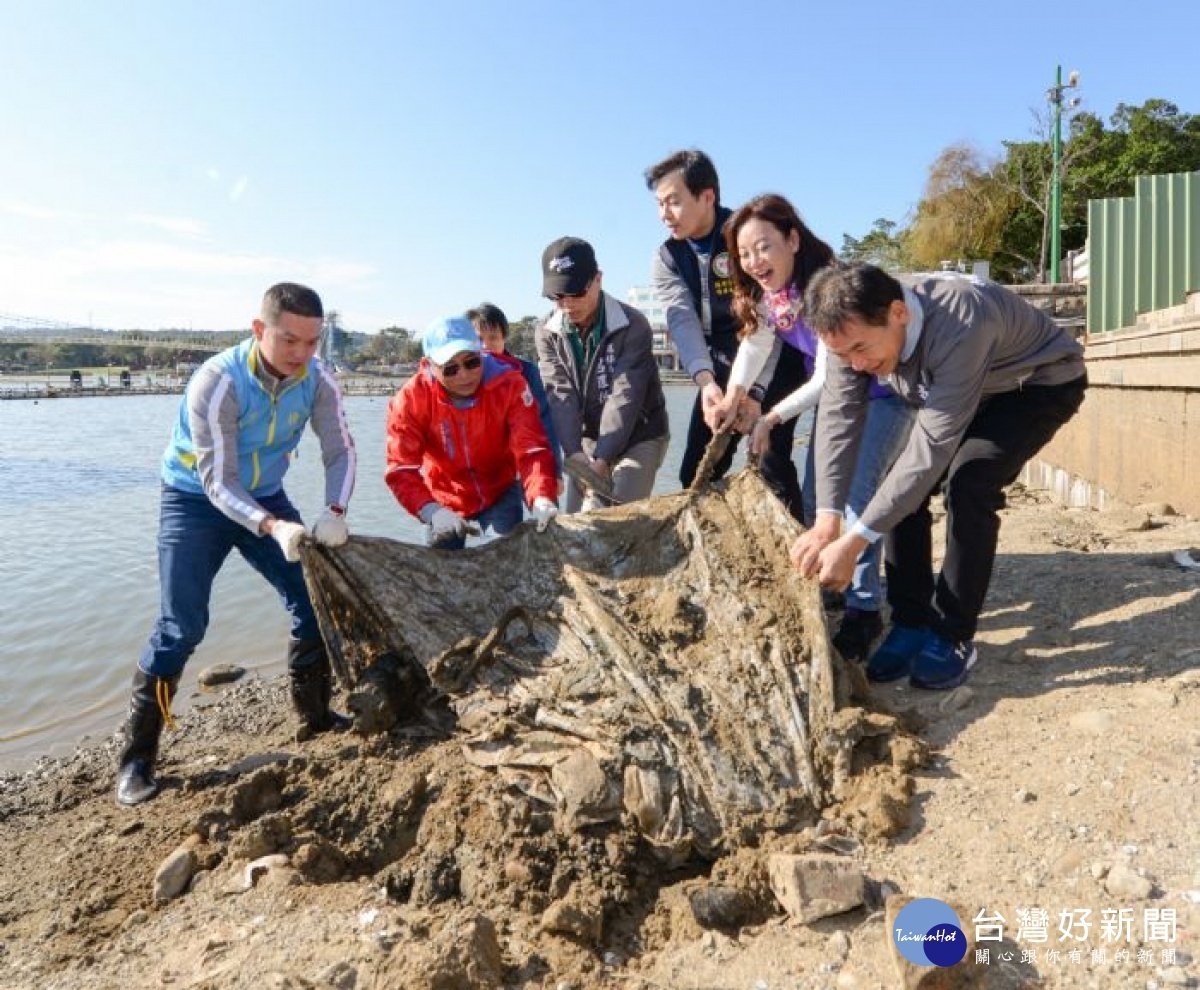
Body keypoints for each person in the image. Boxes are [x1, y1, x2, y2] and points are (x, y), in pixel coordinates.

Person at [115, 282, 357, 807]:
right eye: (288, 340)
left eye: (311, 342)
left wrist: (334, 510)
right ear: (258, 330)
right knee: (182, 626)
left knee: (314, 600)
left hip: (267, 494)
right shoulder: (218, 381)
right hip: (194, 500)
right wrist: (274, 528)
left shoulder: (319, 380)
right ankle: (137, 758)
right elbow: (218, 483)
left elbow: (341, 451)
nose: (300, 354)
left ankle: (314, 717)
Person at [792, 263, 1087, 690]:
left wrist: (855, 542)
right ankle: (910, 620)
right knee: (897, 486)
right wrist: (826, 521)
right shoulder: (845, 332)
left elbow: (929, 450)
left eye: (860, 349)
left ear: (898, 313)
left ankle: (953, 634)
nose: (856, 364)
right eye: (843, 357)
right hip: (965, 389)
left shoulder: (962, 318)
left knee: (970, 483)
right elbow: (838, 421)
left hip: (1036, 384)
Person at [710, 194, 915, 660]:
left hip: (884, 394)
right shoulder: (772, 297)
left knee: (860, 492)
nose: (754, 261)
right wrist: (734, 394)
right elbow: (756, 346)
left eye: (764, 247)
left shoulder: (825, 288)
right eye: (745, 254)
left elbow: (827, 375)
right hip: (843, 400)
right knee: (820, 490)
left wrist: (773, 416)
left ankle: (865, 609)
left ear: (793, 239)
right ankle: (832, 585)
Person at [645, 149, 774, 488]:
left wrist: (754, 392)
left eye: (673, 201)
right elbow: (682, 320)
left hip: (768, 352)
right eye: (659, 204)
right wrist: (706, 383)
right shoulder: (667, 257)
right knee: (695, 473)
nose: (664, 214)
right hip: (715, 362)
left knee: (774, 460)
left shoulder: (745, 238)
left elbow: (772, 320)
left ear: (707, 197)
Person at [386, 315, 558, 549]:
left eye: (471, 362)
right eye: (450, 369)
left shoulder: (510, 384)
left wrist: (541, 496)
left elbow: (531, 449)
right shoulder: (411, 399)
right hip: (444, 499)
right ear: (428, 365)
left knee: (503, 562)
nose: (464, 375)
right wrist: (431, 511)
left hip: (500, 492)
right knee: (441, 572)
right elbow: (401, 469)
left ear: (481, 353)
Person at [535, 236, 669, 511]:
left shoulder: (633, 325)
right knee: (574, 521)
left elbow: (625, 396)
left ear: (598, 279)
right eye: (558, 296)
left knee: (616, 515)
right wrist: (574, 453)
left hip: (640, 433)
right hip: (587, 440)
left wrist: (603, 459)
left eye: (577, 293)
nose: (568, 305)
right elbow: (561, 395)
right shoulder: (546, 332)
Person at [466, 302, 562, 478]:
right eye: (479, 340)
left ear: (504, 338)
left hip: (531, 462)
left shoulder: (527, 372)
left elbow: (545, 423)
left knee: (545, 503)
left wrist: (554, 471)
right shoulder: (462, 379)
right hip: (486, 475)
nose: (486, 346)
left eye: (493, 337)